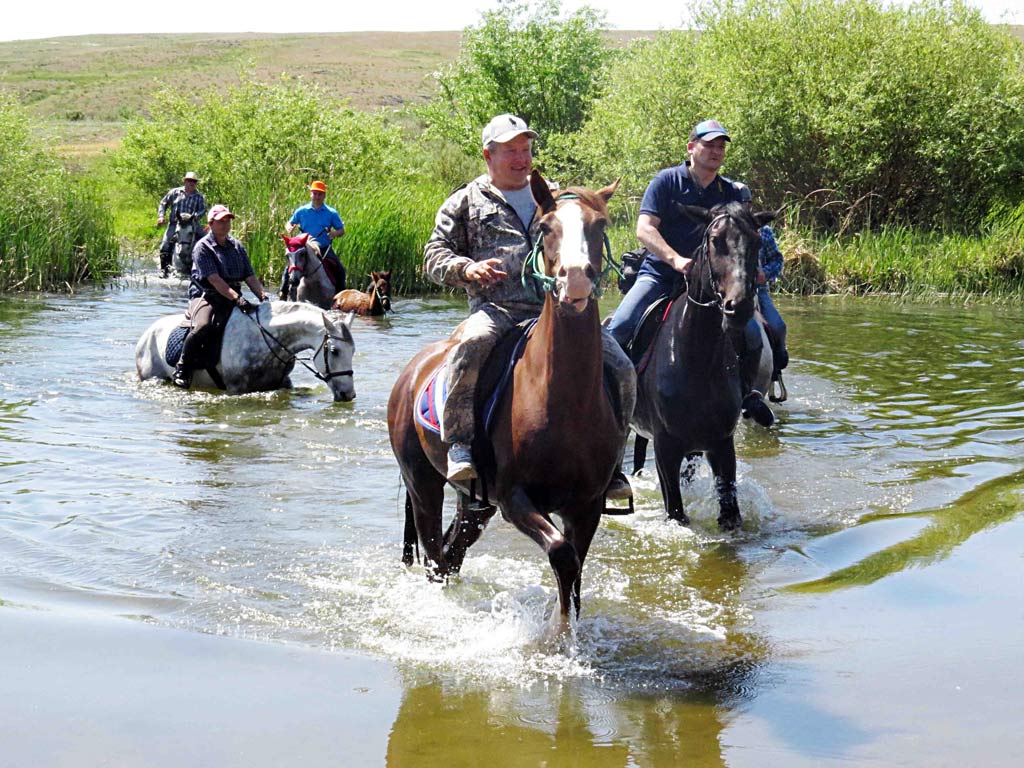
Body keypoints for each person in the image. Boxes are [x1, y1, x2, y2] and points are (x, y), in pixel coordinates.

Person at [424, 113, 635, 496]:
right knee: (469, 347)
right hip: (497, 311)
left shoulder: (552, 196)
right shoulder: (465, 201)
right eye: (510, 152)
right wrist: (466, 268)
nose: (521, 159)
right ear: (488, 156)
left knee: (621, 366)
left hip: (559, 311)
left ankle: (613, 464)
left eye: (525, 150)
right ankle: (459, 442)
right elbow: (433, 255)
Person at [605, 119, 776, 427]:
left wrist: (754, 272)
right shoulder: (666, 181)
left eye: (721, 147)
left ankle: (748, 394)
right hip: (661, 275)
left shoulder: (731, 192)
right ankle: (610, 402)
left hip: (712, 285)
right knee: (619, 328)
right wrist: (676, 260)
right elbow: (644, 230)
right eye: (709, 145)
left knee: (752, 334)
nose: (716, 151)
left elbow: (742, 240)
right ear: (691, 148)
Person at [172, 204, 270, 389]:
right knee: (203, 326)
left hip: (231, 295)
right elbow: (215, 280)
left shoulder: (237, 246)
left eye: (228, 221)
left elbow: (250, 276)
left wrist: (263, 296)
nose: (225, 225)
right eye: (221, 221)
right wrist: (237, 298)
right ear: (210, 224)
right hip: (206, 296)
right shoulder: (202, 247)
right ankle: (183, 367)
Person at [279, 180, 346, 300]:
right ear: (311, 194)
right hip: (304, 247)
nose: (317, 197)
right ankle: (283, 293)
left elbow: (341, 230)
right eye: (314, 193)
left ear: (324, 195)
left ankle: (340, 298)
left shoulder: (331, 213)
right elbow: (289, 222)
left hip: (323, 248)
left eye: (320, 194)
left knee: (340, 270)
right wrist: (289, 227)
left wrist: (334, 233)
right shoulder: (301, 211)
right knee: (290, 267)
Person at [157, 171, 207, 277]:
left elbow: (203, 209)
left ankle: (206, 268)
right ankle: (164, 269)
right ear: (185, 181)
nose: (191, 183)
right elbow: (163, 203)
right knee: (165, 243)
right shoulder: (175, 192)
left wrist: (195, 216)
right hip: (175, 223)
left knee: (207, 240)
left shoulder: (199, 197)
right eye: (189, 181)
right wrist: (161, 216)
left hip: (192, 223)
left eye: (194, 181)